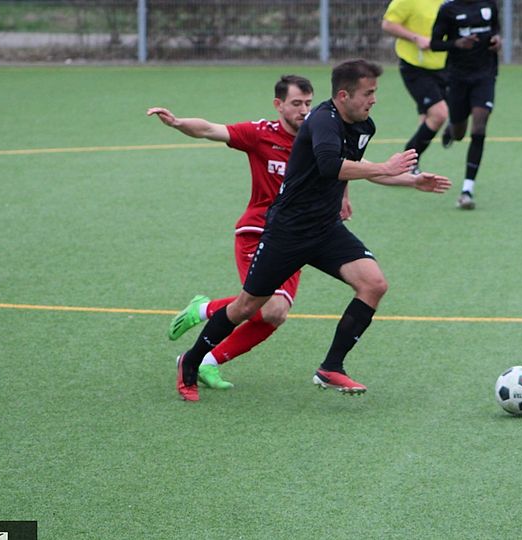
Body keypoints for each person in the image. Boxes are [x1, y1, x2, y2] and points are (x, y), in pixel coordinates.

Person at [174, 59, 452, 402]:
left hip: (325, 229)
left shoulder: (363, 126)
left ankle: (331, 367)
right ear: (344, 95)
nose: (373, 99)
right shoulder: (322, 120)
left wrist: (411, 180)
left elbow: (359, 168)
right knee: (247, 307)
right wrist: (386, 166)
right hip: (288, 231)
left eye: (374, 92)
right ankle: (191, 361)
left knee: (374, 284)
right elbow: (330, 165)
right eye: (368, 93)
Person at [147, 75, 323, 391]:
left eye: (308, 103)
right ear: (279, 105)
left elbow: (343, 165)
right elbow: (210, 129)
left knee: (275, 314)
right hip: (258, 231)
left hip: (296, 236)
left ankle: (208, 362)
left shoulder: (317, 136)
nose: (304, 110)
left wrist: (394, 175)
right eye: (296, 103)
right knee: (267, 307)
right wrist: (177, 123)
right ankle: (202, 310)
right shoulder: (260, 134)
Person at [430, 0, 501, 210]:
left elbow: (495, 28)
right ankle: (452, 128)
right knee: (459, 133)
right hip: (457, 78)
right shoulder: (448, 9)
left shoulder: (489, 4)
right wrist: (457, 44)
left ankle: (467, 190)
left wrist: (497, 39)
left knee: (479, 127)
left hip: (485, 75)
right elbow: (434, 44)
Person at [381, 0, 449, 175]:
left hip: (445, 66)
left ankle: (410, 165)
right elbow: (388, 24)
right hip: (415, 67)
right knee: (439, 114)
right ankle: (408, 160)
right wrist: (415, 38)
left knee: (428, 119)